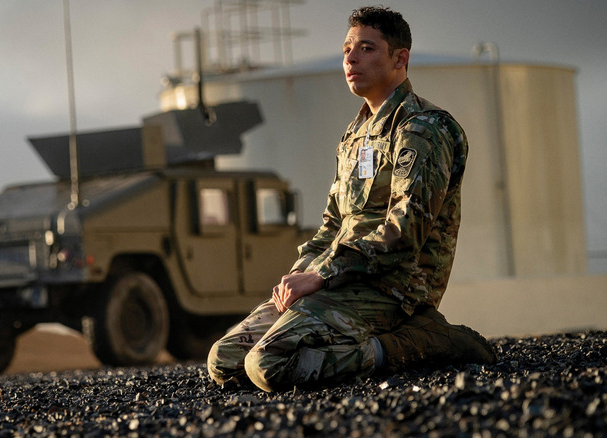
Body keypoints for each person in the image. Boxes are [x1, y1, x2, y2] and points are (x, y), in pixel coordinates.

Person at [207, 6, 496, 392]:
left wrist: (322, 275)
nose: (351, 57)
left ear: (400, 58)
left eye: (366, 48)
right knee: (224, 361)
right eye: (347, 49)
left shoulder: (422, 129)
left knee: (268, 364)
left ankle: (419, 342)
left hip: (394, 288)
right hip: (339, 280)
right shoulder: (356, 135)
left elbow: (405, 231)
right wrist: (302, 273)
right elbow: (332, 224)